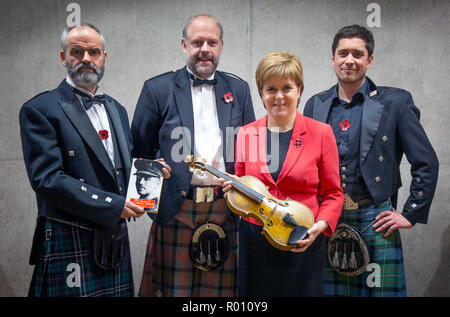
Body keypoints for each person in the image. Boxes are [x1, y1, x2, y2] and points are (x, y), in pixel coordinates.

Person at [19, 23, 170, 297]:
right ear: (63, 58)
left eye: (94, 52)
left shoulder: (117, 109)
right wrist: (114, 205)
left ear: (104, 57)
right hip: (70, 235)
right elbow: (47, 179)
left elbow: (120, 167)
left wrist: (150, 171)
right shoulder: (40, 110)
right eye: (77, 52)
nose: (86, 59)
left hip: (112, 237)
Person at [303, 25, 439, 296]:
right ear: (333, 59)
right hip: (328, 220)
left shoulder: (395, 103)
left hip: (374, 219)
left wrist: (410, 213)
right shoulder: (315, 105)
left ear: (370, 60)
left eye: (357, 53)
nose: (349, 60)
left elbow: (426, 162)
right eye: (343, 53)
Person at [131, 14, 255, 297]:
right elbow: (138, 151)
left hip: (227, 208)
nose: (205, 49)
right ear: (184, 44)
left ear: (221, 46)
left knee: (222, 295)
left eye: (212, 42)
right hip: (177, 209)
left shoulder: (239, 89)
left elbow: (251, 151)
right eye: (197, 42)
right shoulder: (157, 89)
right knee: (175, 292)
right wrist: (151, 205)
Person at [219, 51, 344, 296]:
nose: (279, 96)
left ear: (299, 90)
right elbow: (244, 189)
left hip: (303, 238)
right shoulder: (245, 134)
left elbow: (333, 193)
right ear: (261, 93)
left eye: (286, 88)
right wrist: (232, 189)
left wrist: (318, 227)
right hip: (256, 239)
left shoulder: (322, 133)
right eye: (270, 89)